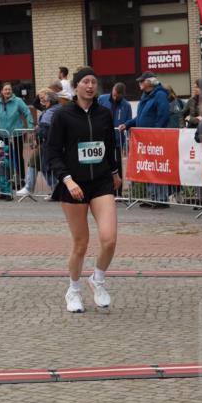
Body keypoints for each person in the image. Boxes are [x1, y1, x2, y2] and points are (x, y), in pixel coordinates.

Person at [46, 67, 122, 313]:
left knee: (109, 240)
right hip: (73, 184)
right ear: (76, 86)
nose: (90, 86)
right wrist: (67, 180)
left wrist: (114, 172)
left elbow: (109, 147)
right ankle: (74, 290)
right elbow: (52, 153)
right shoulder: (63, 115)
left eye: (93, 82)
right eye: (85, 82)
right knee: (81, 244)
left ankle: (97, 280)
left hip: (100, 182)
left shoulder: (104, 114)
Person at [123, 71, 171, 208]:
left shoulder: (160, 95)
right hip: (146, 139)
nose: (139, 83)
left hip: (155, 138)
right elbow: (140, 117)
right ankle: (153, 197)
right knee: (149, 167)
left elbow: (163, 116)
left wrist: (154, 131)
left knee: (157, 167)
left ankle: (161, 199)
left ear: (149, 82)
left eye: (141, 81)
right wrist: (127, 125)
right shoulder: (145, 96)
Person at [0, 82, 34, 188]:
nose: (7, 91)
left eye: (9, 89)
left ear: (12, 91)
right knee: (5, 158)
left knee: (18, 158)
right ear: (2, 91)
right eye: (5, 89)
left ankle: (21, 181)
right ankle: (9, 180)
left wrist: (30, 126)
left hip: (16, 134)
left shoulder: (18, 101)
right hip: (2, 135)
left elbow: (27, 112)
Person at [98, 82, 132, 178]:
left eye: (118, 96)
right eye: (114, 95)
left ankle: (119, 189)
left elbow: (128, 122)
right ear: (112, 90)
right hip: (102, 138)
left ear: (122, 95)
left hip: (117, 141)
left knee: (117, 164)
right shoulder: (102, 99)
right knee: (103, 162)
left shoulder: (126, 105)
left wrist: (126, 143)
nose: (115, 98)